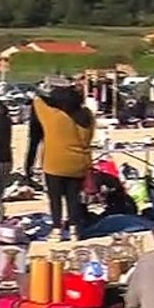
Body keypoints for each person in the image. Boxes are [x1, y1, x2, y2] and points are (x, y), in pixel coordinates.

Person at [26, 80, 94, 236]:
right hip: (80, 162)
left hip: (55, 163)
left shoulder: (54, 116)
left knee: (55, 198)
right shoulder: (87, 115)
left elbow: (38, 101)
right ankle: (74, 228)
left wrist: (49, 96)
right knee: (73, 197)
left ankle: (57, 228)